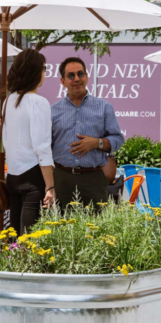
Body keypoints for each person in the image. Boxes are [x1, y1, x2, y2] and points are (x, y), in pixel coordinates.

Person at [50, 56, 125, 209]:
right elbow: (45, 146)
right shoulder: (52, 111)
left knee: (97, 229)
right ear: (63, 81)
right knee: (60, 229)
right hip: (61, 179)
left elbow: (118, 139)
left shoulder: (104, 107)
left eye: (80, 74)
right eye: (71, 76)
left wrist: (96, 143)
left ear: (87, 77)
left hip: (94, 179)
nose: (77, 78)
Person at [1, 49, 55, 235]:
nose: (44, 74)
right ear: (36, 72)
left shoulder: (8, 101)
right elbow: (42, 148)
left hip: (13, 176)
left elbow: (6, 141)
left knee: (15, 237)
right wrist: (50, 186)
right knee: (32, 239)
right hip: (33, 177)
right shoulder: (38, 102)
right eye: (43, 69)